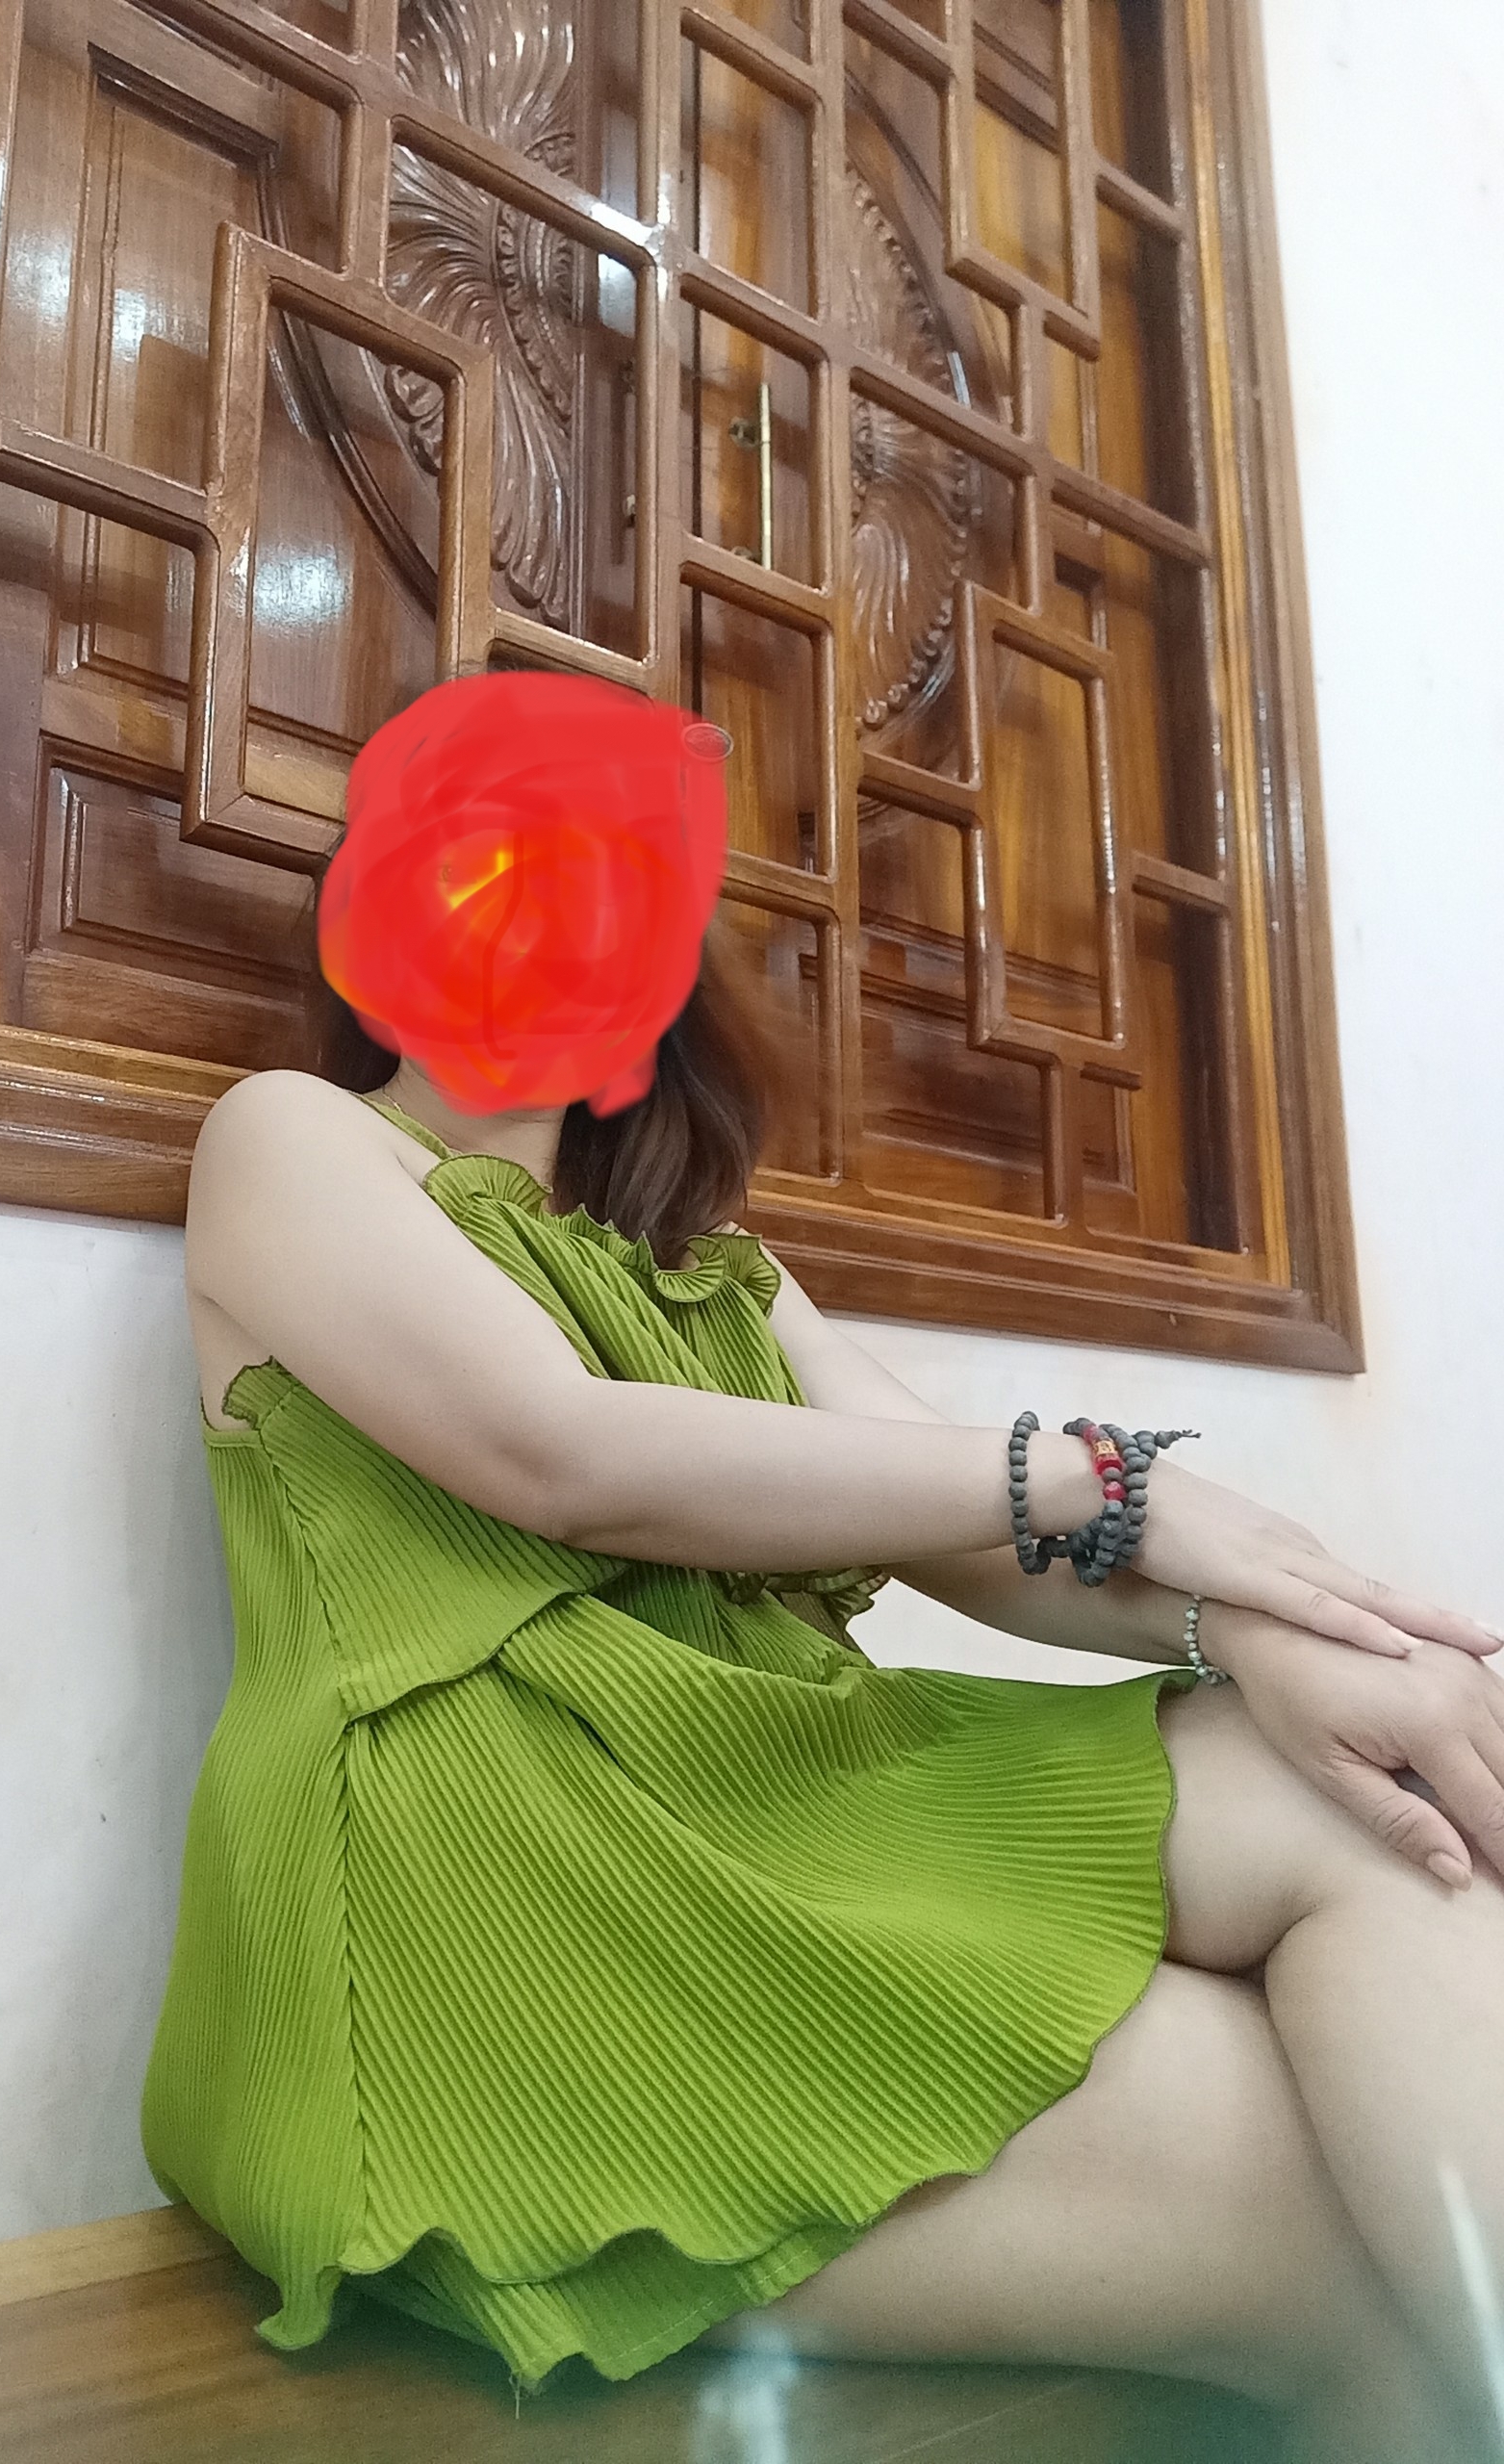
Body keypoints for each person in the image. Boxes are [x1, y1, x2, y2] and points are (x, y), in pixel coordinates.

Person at [141, 680, 1504, 2464]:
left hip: (768, 1801)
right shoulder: (292, 1139)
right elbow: (559, 1455)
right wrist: (1103, 1478)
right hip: (509, 1880)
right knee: (1361, 2259)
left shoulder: (708, 1262)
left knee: (1384, 1791)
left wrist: (1274, 1631)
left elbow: (961, 1531)